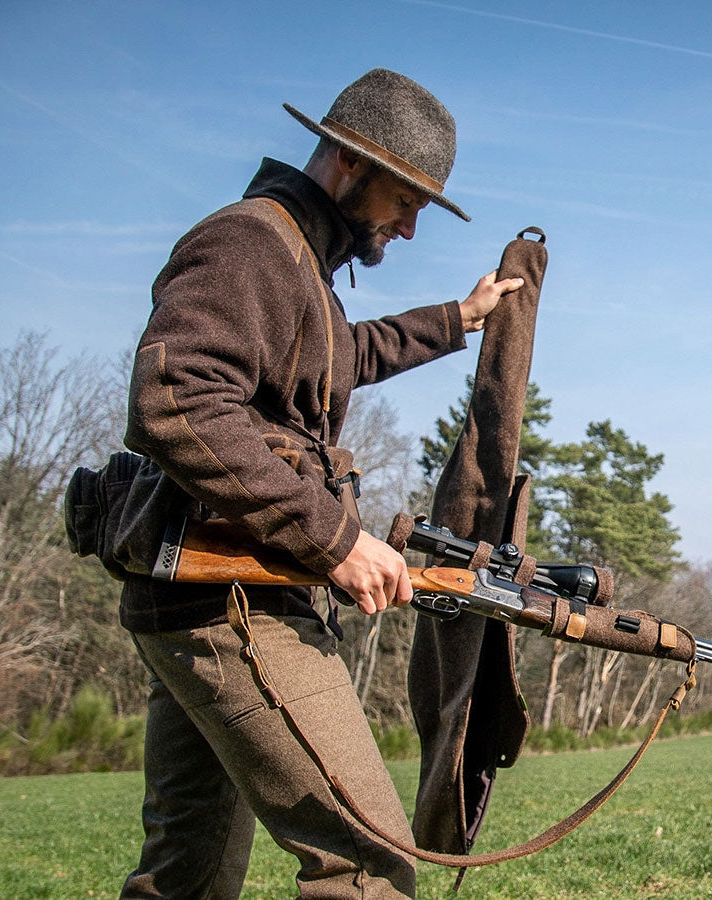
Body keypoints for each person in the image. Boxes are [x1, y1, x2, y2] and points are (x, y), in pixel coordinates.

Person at [118, 68, 523, 899]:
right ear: (347, 160)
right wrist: (334, 539)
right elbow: (175, 393)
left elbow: (340, 357)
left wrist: (458, 318)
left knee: (184, 881)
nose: (410, 228)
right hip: (234, 602)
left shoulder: (300, 262)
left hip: (203, 599)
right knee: (369, 866)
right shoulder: (251, 243)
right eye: (406, 201)